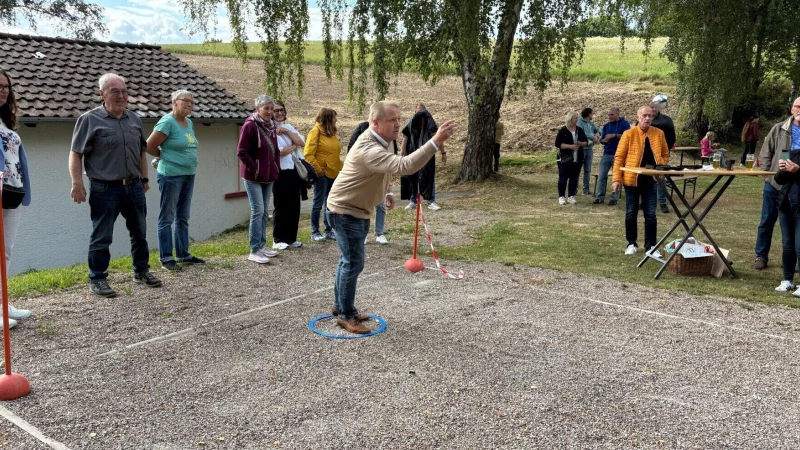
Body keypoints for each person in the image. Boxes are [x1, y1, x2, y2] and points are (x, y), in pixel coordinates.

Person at [326, 101, 458, 333]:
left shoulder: (382, 141)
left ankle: (340, 306)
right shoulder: (369, 147)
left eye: (399, 119)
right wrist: (435, 142)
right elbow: (404, 165)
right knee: (353, 263)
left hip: (352, 209)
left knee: (347, 261)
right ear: (375, 122)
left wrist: (386, 192)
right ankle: (346, 315)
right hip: (345, 211)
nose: (399, 125)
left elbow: (382, 170)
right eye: (392, 120)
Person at [69, 73, 162, 297]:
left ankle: (141, 271)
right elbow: (75, 153)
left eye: (124, 91)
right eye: (115, 92)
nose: (121, 96)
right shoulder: (89, 119)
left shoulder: (134, 119)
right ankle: (98, 278)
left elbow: (141, 150)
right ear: (102, 94)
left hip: (134, 186)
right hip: (105, 189)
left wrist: (145, 178)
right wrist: (77, 183)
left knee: (139, 232)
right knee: (102, 235)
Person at [145, 90, 205, 271]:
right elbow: (148, 146)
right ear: (173, 102)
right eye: (185, 101)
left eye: (192, 102)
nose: (189, 104)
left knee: (183, 216)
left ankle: (183, 254)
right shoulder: (167, 122)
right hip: (171, 175)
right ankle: (166, 257)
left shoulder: (189, 123)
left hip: (188, 173)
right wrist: (165, 157)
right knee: (167, 217)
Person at [612, 105, 670, 256]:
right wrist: (616, 179)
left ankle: (650, 246)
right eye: (644, 116)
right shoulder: (628, 134)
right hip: (631, 179)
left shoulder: (659, 134)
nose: (648, 118)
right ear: (638, 117)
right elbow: (619, 157)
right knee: (631, 212)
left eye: (650, 116)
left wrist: (660, 166)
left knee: (651, 213)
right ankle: (631, 243)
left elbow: (665, 153)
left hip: (650, 179)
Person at [0, 69, 32, 327]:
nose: (3, 90)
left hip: (12, 192)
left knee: (5, 252)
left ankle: (2, 303)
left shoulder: (6, 122)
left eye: (6, 87)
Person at [753, 97, 800, 271]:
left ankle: (790, 261)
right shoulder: (779, 128)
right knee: (767, 220)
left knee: (794, 224)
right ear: (791, 109)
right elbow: (765, 153)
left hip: (797, 186)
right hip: (775, 184)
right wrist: (767, 176)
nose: (799, 110)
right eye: (797, 106)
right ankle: (761, 256)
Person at [236, 94, 281, 264]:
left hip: (268, 176)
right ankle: (254, 249)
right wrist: (255, 168)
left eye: (271, 109)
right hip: (253, 177)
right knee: (257, 211)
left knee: (264, 213)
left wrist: (275, 167)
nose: (270, 112)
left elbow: (275, 150)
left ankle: (262, 245)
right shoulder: (250, 126)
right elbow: (241, 151)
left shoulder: (271, 126)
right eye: (266, 108)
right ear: (257, 109)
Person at [347, 120, 396, 245]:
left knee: (380, 206)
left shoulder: (382, 147)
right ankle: (362, 234)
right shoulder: (357, 149)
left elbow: (387, 170)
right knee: (362, 209)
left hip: (378, 184)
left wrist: (389, 191)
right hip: (362, 185)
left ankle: (380, 233)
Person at [271, 100, 305, 250]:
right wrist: (293, 145)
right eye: (276, 111)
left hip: (293, 170)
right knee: (281, 205)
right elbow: (279, 152)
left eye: (282, 110)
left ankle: (291, 238)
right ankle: (278, 239)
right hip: (280, 171)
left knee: (294, 205)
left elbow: (302, 143)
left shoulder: (288, 127)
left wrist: (288, 133)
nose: (279, 113)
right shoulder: (270, 129)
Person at [304, 107, 342, 241]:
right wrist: (319, 171)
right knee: (318, 203)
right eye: (334, 117)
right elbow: (308, 154)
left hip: (334, 173)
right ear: (327, 118)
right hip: (322, 174)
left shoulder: (331, 133)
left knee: (330, 203)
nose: (336, 119)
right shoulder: (315, 132)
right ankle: (315, 232)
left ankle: (328, 230)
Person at [402, 103, 443, 210]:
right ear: (415, 112)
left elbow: (438, 138)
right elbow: (405, 138)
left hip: (427, 155)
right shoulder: (411, 124)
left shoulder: (430, 123)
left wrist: (443, 152)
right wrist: (402, 153)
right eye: (419, 111)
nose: (421, 113)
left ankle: (431, 201)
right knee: (412, 176)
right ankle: (413, 200)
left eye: (423, 111)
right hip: (413, 153)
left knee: (429, 176)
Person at [595, 107, 630, 206]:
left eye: (612, 115)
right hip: (607, 153)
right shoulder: (606, 126)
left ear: (617, 114)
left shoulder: (625, 124)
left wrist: (614, 135)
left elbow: (628, 137)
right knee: (601, 176)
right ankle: (600, 197)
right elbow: (602, 140)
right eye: (609, 115)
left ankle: (614, 198)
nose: (610, 117)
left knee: (616, 177)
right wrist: (603, 141)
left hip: (619, 154)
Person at [554, 111, 587, 205]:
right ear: (570, 119)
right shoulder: (563, 130)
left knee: (574, 177)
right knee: (563, 177)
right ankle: (561, 196)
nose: (577, 119)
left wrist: (581, 143)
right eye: (575, 118)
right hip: (564, 158)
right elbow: (558, 144)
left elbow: (586, 142)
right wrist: (570, 146)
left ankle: (571, 196)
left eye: (577, 118)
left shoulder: (579, 130)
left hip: (577, 158)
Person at [650, 94, 675, 213]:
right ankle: (644, 201)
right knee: (645, 177)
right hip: (646, 155)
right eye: (651, 107)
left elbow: (671, 138)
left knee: (661, 178)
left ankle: (663, 202)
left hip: (660, 154)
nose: (653, 109)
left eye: (655, 107)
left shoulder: (666, 120)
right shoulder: (644, 120)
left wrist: (665, 151)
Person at [577, 108, 602, 196]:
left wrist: (598, 134)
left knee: (587, 170)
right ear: (588, 114)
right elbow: (582, 133)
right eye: (592, 113)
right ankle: (574, 189)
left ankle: (586, 189)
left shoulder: (591, 123)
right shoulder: (579, 123)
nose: (593, 115)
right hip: (581, 150)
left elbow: (599, 130)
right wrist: (593, 136)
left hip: (589, 149)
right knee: (578, 170)